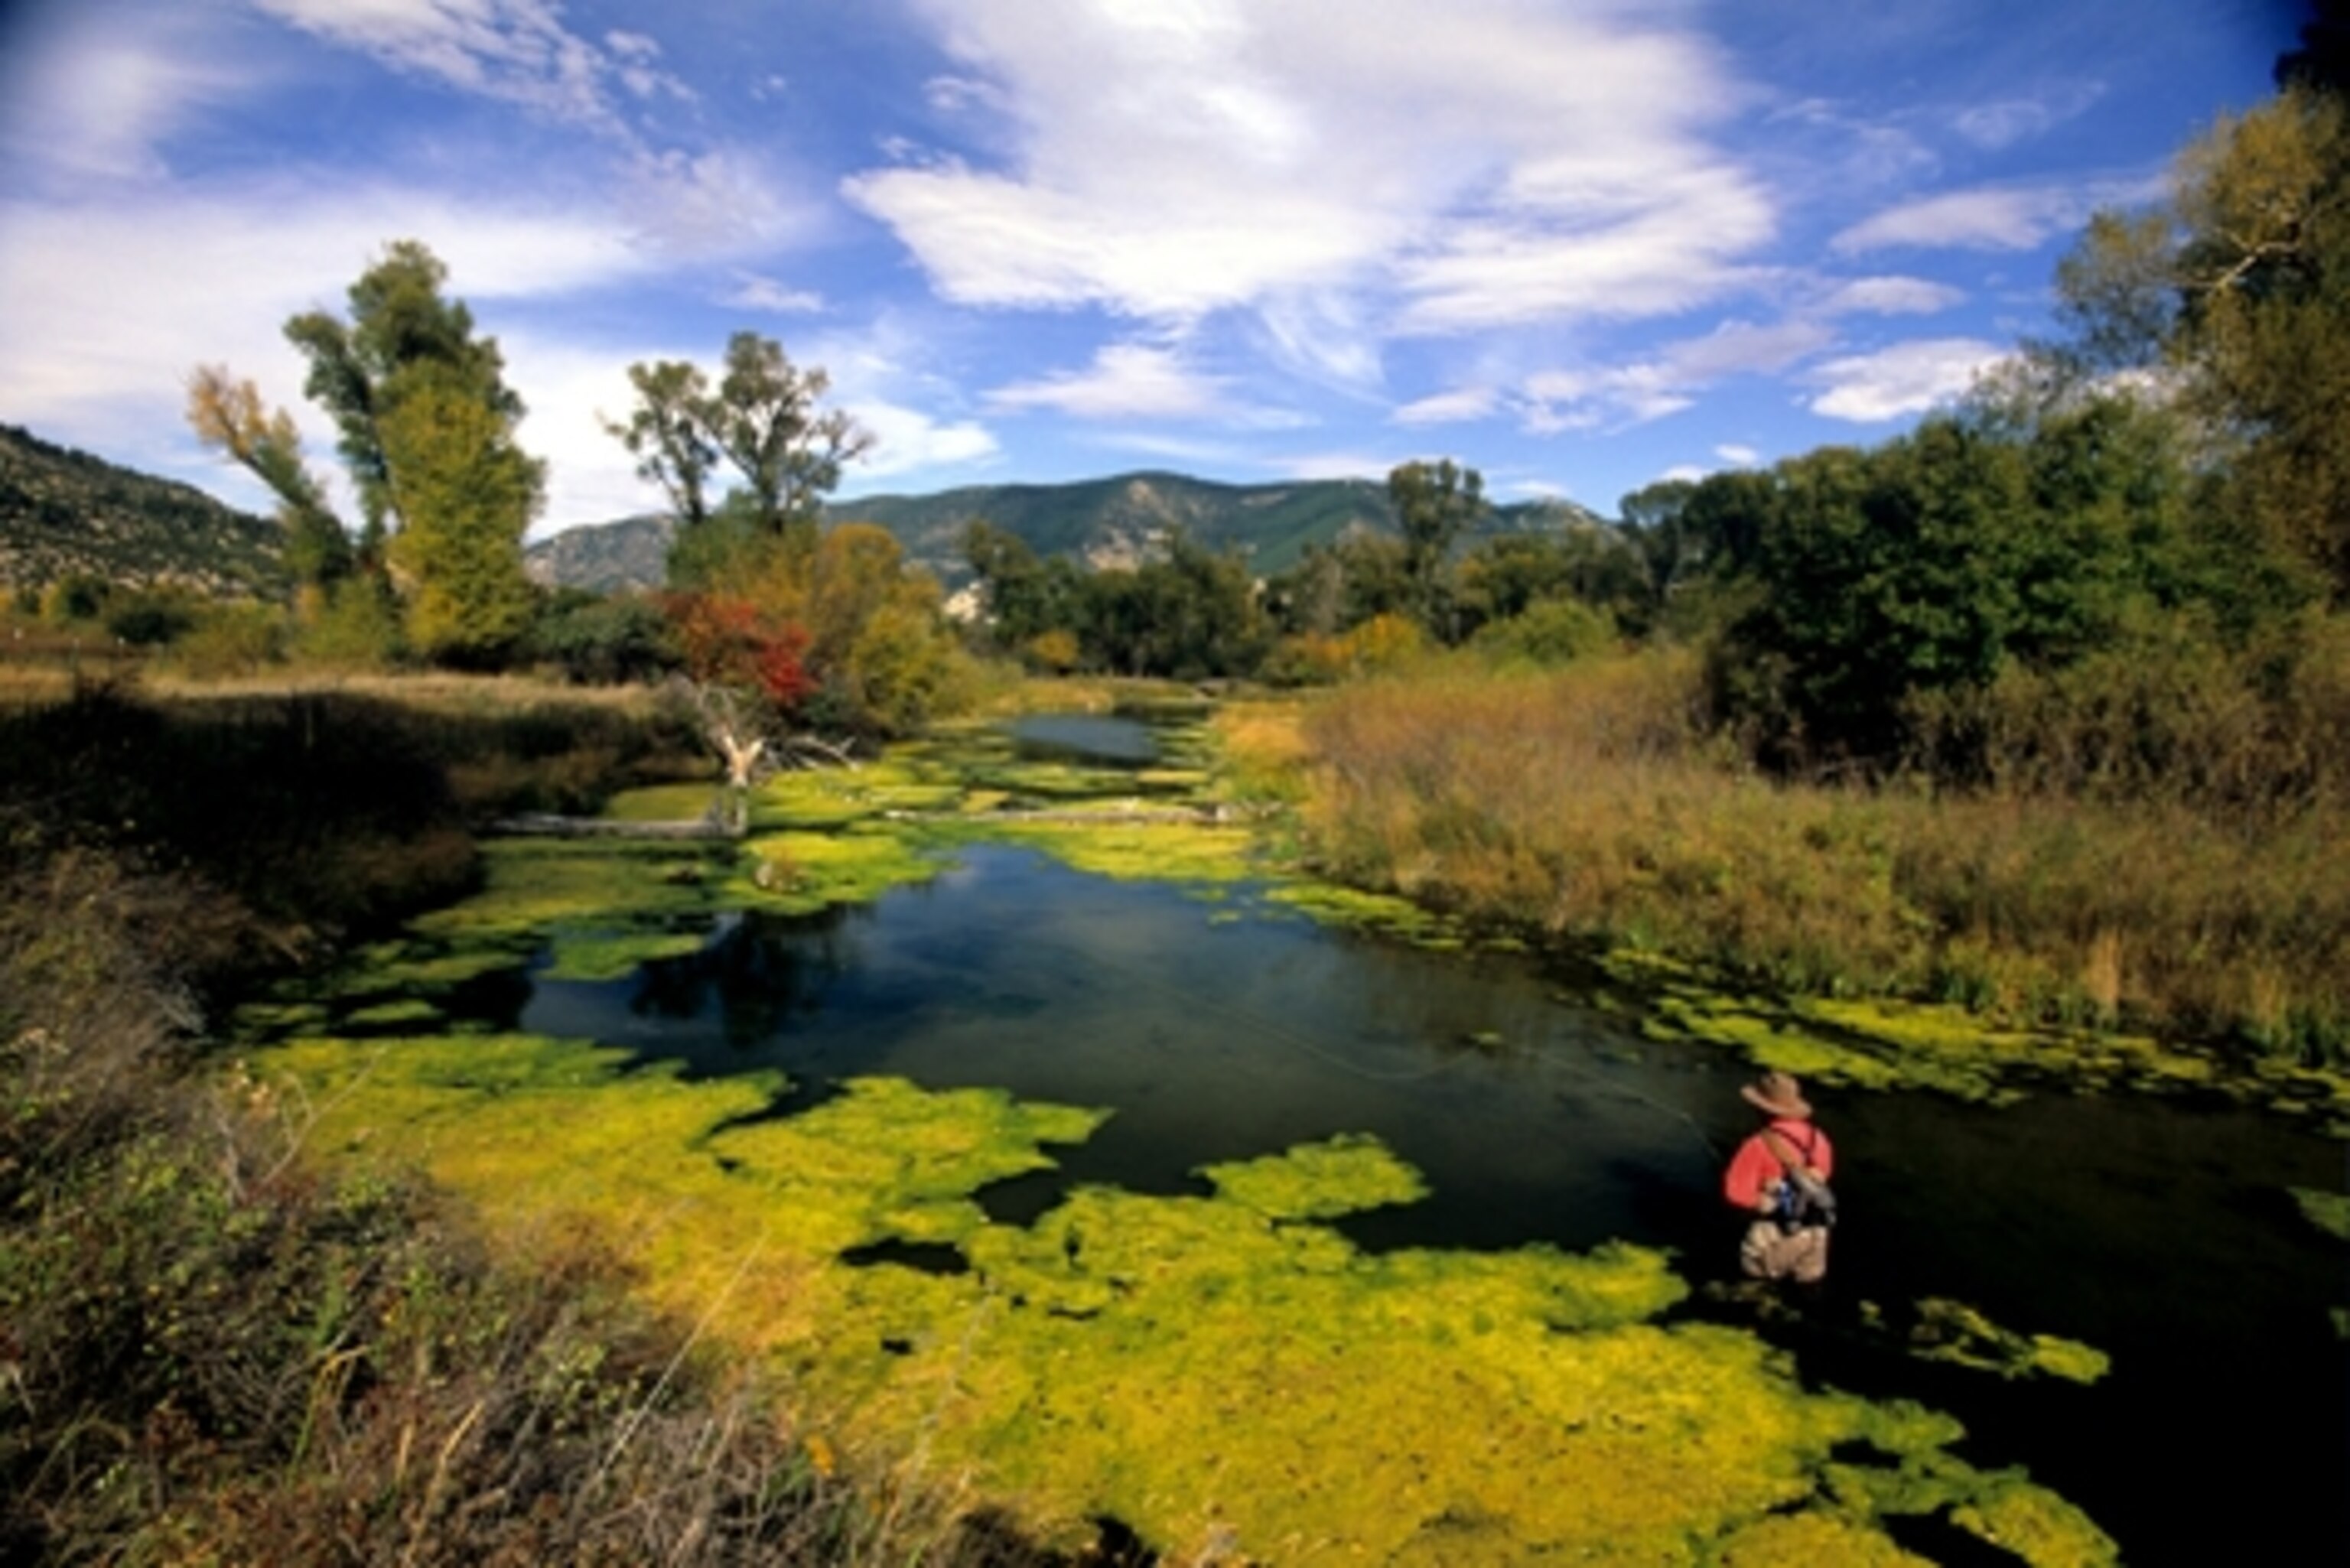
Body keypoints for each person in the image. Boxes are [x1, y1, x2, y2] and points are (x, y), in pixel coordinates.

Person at [1721, 1070, 1835, 1284]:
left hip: (1772, 1234)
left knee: (1754, 1285)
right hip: (1816, 1233)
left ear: (1762, 1108)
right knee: (1806, 1295)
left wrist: (1765, 1200)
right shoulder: (1818, 1138)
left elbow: (1735, 1194)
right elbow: (1824, 1175)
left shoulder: (1757, 1145)